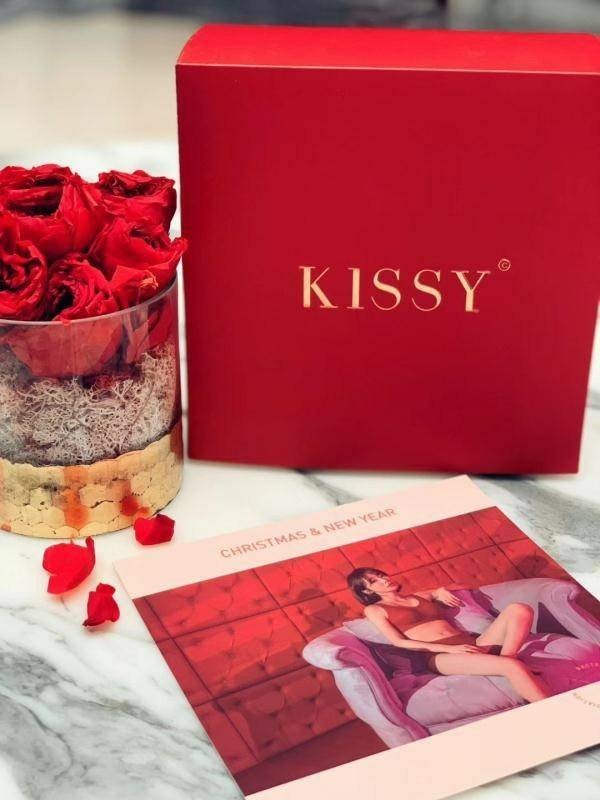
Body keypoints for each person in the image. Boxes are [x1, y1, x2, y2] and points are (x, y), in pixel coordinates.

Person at [347, 567, 550, 703]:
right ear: (366, 592)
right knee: (512, 667)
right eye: (374, 581)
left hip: (473, 642)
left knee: (519, 609)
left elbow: (462, 586)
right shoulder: (374, 610)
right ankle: (552, 710)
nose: (383, 579)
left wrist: (441, 590)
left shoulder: (419, 595)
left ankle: (508, 656)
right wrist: (449, 649)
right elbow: (399, 642)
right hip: (441, 656)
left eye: (381, 575)